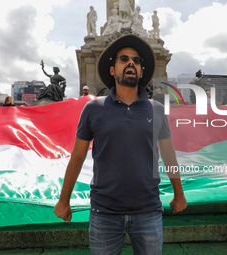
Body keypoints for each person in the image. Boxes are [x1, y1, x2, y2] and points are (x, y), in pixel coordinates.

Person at [54, 34, 187, 254]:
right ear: (112, 70)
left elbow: (169, 155)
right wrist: (63, 200)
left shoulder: (156, 109)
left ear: (141, 72)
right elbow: (77, 156)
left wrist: (179, 194)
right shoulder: (93, 109)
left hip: (148, 211)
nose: (131, 63)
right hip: (104, 212)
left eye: (136, 60)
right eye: (123, 59)